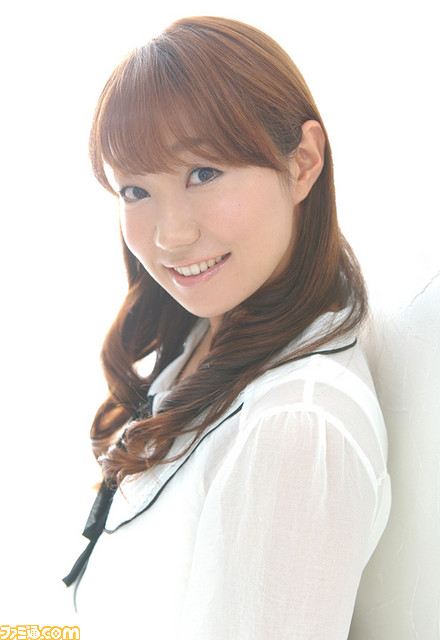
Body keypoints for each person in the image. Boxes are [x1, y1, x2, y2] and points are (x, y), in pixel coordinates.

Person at [63, 16, 391, 639]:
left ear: (303, 163)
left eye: (203, 174)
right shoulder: (208, 332)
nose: (170, 236)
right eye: (135, 190)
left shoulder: (294, 430)